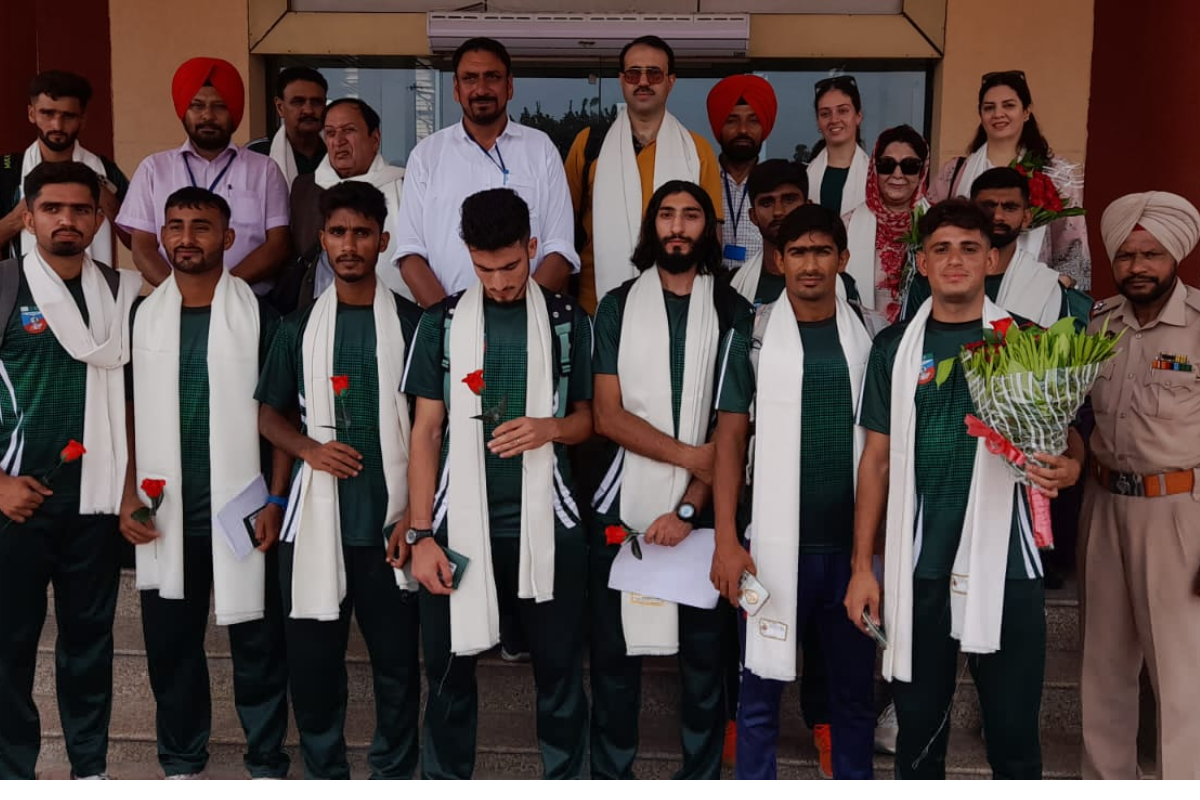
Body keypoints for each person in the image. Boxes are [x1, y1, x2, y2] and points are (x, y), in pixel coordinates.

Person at [844, 198, 1085, 779]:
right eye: (942, 249)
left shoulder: (1026, 340)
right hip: (919, 561)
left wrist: (1072, 466)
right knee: (918, 739)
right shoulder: (893, 349)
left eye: (970, 249)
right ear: (922, 263)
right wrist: (861, 568)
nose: (955, 260)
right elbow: (875, 462)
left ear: (993, 258)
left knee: (1013, 737)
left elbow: (1067, 433)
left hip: (1008, 562)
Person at [402, 188, 593, 779]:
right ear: (467, 255)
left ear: (532, 248)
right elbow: (426, 431)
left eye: (511, 266)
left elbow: (590, 420)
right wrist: (419, 534)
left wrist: (550, 427)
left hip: (550, 524)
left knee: (559, 676)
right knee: (450, 673)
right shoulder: (443, 321)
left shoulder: (566, 320)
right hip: (458, 527)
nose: (501, 282)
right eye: (485, 269)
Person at [119, 187, 289, 779]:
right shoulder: (143, 316)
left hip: (242, 508)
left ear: (228, 237)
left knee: (258, 648)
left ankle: (266, 762)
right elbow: (131, 413)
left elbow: (281, 419)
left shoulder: (260, 317)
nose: (186, 238)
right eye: (175, 226)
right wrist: (127, 495)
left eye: (201, 226)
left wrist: (275, 498)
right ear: (161, 237)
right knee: (172, 650)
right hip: (166, 511)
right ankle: (183, 762)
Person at [255, 181, 423, 779]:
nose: (348, 245)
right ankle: (326, 774)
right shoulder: (297, 327)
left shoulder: (415, 324)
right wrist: (309, 450)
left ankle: (394, 775)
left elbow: (436, 426)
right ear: (321, 239)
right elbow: (268, 412)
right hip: (313, 524)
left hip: (390, 522)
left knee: (398, 668)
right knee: (314, 666)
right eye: (337, 233)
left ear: (382, 239)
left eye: (361, 233)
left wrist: (418, 516)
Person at [588, 180, 751, 779]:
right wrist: (695, 458)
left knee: (705, 662)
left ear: (708, 230)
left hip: (709, 511)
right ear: (651, 227)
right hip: (621, 502)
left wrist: (688, 507)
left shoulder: (734, 311)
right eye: (666, 215)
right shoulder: (615, 305)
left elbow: (730, 430)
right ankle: (611, 778)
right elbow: (606, 415)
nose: (677, 227)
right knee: (613, 658)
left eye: (690, 216)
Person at [711, 204, 877, 779]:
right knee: (758, 698)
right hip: (773, 551)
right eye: (798, 252)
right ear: (779, 261)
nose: (811, 265)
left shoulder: (873, 335)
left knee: (854, 699)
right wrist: (727, 540)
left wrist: (870, 558)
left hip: (852, 554)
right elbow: (729, 441)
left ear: (843, 258)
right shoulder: (753, 334)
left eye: (822, 251)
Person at [0, 161, 141, 780]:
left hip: (97, 503)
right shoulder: (3, 287)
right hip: (15, 504)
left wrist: (134, 489)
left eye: (81, 209)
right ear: (27, 217)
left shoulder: (123, 291)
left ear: (98, 218)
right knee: (8, 653)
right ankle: (13, 775)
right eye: (51, 208)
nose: (66, 219)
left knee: (89, 649)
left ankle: (90, 773)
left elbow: (138, 400)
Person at [1080, 191, 1200, 780]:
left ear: (1175, 254)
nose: (1138, 267)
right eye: (1126, 255)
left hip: (1180, 515)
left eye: (1151, 254)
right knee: (1102, 672)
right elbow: (1072, 419)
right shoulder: (1098, 324)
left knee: (1183, 681)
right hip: (1103, 507)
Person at [394, 38, 578, 308]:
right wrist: (449, 321)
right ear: (456, 89)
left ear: (510, 86)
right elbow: (410, 254)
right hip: (449, 327)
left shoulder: (541, 149)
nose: (481, 89)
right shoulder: (426, 156)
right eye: (470, 78)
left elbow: (560, 250)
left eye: (492, 77)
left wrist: (521, 315)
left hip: (529, 323)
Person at [565, 36, 722, 313]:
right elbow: (565, 230)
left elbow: (711, 234)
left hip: (679, 307)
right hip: (596, 306)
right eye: (634, 73)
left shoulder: (696, 150)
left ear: (671, 81)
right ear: (622, 80)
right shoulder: (589, 145)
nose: (643, 81)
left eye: (654, 73)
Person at [118, 57, 291, 295]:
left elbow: (278, 245)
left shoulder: (264, 170)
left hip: (248, 302)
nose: (207, 116)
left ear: (234, 110)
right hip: (172, 303)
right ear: (183, 110)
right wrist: (181, 293)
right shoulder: (153, 169)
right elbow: (142, 246)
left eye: (220, 106)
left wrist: (223, 290)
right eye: (197, 106)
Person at [929, 70, 1091, 290]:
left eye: (1009, 105)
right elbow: (930, 233)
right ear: (980, 114)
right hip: (966, 291)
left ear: (1026, 112)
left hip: (1036, 293)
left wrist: (1059, 286)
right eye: (989, 107)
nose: (998, 114)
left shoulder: (1055, 172)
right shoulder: (954, 173)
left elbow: (1073, 244)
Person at [903, 167, 1091, 326]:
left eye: (1009, 208)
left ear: (1026, 218)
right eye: (988, 206)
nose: (998, 216)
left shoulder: (1048, 286)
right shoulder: (930, 281)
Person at [287, 98, 409, 308]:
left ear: (375, 139)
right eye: (331, 133)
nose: (338, 141)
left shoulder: (405, 185)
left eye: (349, 130)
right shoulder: (307, 188)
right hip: (318, 311)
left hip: (396, 308)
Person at [1, 70, 131, 264]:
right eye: (47, 113)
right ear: (31, 114)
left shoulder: (105, 172)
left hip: (94, 291)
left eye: (68, 116)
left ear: (83, 119)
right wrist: (20, 215)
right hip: (23, 291)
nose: (57, 125)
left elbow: (138, 243)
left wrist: (104, 199)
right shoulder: (7, 171)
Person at [843, 125, 930, 323]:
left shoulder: (940, 226)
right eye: (886, 165)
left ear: (922, 171)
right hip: (863, 339)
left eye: (909, 165)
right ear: (874, 168)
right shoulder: (846, 227)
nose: (897, 174)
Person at [705, 74, 778, 271]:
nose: (743, 130)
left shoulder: (776, 186)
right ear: (718, 126)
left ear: (765, 127)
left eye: (753, 120)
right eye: (732, 120)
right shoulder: (700, 180)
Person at [248, 66, 329, 189]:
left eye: (316, 102)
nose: (308, 110)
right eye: (298, 102)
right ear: (280, 107)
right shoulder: (257, 153)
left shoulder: (339, 149)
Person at [807, 75, 870, 217]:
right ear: (818, 122)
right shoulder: (805, 176)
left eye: (842, 111)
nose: (834, 119)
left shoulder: (876, 176)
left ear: (858, 116)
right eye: (825, 114)